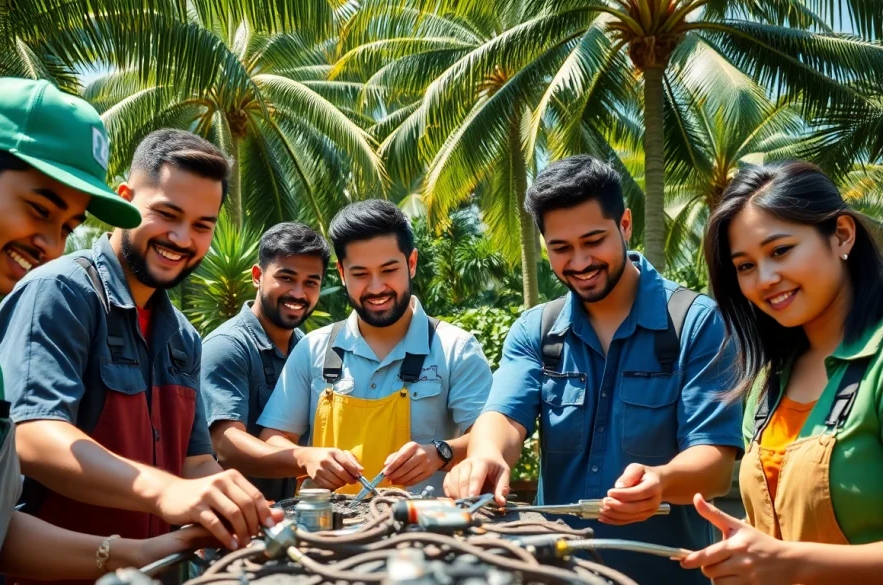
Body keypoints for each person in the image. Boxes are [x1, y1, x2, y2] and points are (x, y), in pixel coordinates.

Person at [0, 78, 227, 585]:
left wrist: (147, 552)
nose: (50, 247)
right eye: (39, 210)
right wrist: (160, 491)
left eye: (67, 228)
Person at [0, 129, 280, 585]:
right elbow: (32, 435)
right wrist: (165, 492)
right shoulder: (61, 293)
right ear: (124, 199)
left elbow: (194, 462)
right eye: (166, 214)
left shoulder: (183, 335)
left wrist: (238, 503)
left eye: (203, 225)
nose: (182, 238)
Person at [445, 155, 743, 584]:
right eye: (561, 248)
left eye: (593, 240)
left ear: (624, 225)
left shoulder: (697, 323)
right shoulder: (537, 329)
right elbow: (504, 417)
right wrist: (487, 455)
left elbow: (715, 466)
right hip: (555, 574)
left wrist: (659, 481)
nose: (580, 261)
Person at [679, 162, 883, 584]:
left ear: (842, 234)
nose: (765, 279)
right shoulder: (768, 382)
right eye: (745, 266)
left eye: (780, 251)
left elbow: (787, 556)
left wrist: (789, 561)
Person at [256, 199, 492, 495]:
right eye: (360, 274)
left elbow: (490, 439)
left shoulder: (457, 349)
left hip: (426, 535)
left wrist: (442, 452)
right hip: (328, 534)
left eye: (389, 270)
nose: (377, 287)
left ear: (412, 263)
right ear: (342, 273)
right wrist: (306, 457)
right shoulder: (312, 349)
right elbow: (273, 437)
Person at [202, 222, 331, 502]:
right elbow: (225, 444)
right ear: (258, 275)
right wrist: (303, 458)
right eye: (286, 277)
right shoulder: (227, 346)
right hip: (230, 522)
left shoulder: (310, 348)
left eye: (311, 282)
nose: (298, 293)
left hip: (286, 516)